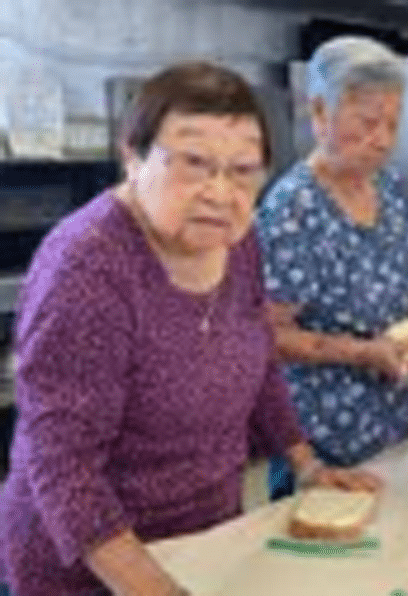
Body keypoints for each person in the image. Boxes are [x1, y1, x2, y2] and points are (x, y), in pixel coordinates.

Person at [0, 62, 380, 596]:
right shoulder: (88, 269)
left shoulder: (236, 239)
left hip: (207, 539)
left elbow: (257, 357)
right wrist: (154, 589)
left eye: (243, 170)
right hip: (96, 570)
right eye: (194, 163)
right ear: (132, 156)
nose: (219, 193)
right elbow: (64, 469)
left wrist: (306, 462)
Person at [257, 37, 408, 500]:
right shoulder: (293, 208)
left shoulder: (389, 186)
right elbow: (266, 337)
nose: (383, 140)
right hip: (326, 447)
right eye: (368, 123)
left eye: (393, 124)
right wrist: (363, 353)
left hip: (406, 423)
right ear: (319, 113)